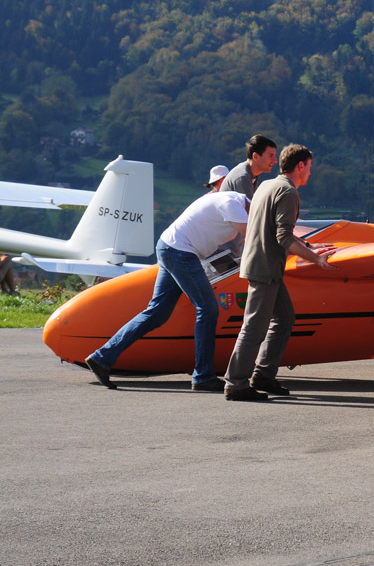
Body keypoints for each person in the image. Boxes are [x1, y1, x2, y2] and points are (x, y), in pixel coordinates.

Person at [85, 192, 251, 391]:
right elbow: (253, 236)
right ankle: (203, 376)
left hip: (170, 247)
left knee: (157, 312)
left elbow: (233, 245)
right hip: (181, 252)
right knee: (208, 309)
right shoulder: (233, 204)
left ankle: (102, 358)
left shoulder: (232, 203)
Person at [223, 144, 337, 402]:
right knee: (253, 327)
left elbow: (275, 228)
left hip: (260, 265)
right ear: (300, 166)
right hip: (265, 269)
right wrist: (317, 259)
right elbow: (283, 236)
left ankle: (263, 374)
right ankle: (235, 383)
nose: (309, 172)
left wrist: (308, 245)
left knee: (284, 317)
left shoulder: (267, 185)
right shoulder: (289, 193)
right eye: (309, 167)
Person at [220, 134, 278, 199]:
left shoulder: (251, 175)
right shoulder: (242, 177)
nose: (275, 161)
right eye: (271, 156)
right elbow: (250, 209)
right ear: (255, 156)